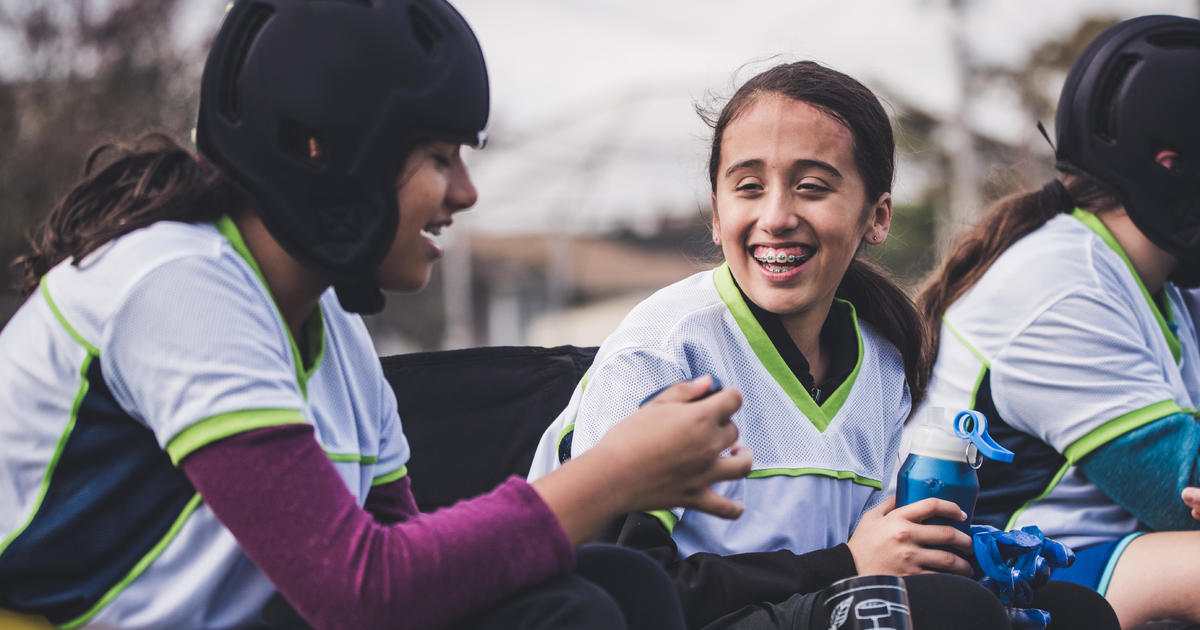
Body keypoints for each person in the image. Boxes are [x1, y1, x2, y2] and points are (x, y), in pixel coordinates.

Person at [0, 1, 753, 629]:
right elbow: (361, 594)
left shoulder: (335, 337)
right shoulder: (176, 284)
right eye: (437, 157)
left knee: (620, 585)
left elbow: (417, 569)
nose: (466, 192)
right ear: (323, 151)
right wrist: (611, 475)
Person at [528, 60, 1118, 630]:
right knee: (946, 614)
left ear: (876, 217)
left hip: (803, 604)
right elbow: (621, 594)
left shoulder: (882, 363)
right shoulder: (663, 354)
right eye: (749, 187)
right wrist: (848, 567)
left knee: (1074, 612)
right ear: (716, 213)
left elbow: (874, 566)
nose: (777, 215)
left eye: (811, 187)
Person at [917, 14, 1200, 629]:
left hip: (1092, 559)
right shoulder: (1061, 284)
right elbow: (1180, 494)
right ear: (1173, 164)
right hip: (998, 578)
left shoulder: (1160, 284)